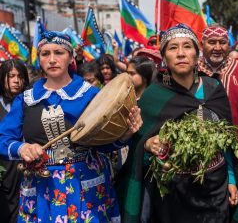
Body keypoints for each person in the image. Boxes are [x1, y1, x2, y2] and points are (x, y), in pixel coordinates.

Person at [0, 31, 142, 222]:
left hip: (86, 185)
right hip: (42, 188)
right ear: (39, 59)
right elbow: (3, 139)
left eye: (59, 53)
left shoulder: (91, 95)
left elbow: (104, 144)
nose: (52, 59)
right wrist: (22, 147)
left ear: (71, 57)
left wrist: (125, 135)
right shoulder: (26, 99)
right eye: (45, 54)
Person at [118, 24, 237, 223]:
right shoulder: (154, 96)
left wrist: (232, 179)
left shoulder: (214, 89)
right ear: (164, 57)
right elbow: (138, 146)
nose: (181, 53)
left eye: (187, 46)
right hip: (172, 192)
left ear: (197, 53)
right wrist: (148, 145)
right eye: (173, 48)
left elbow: (227, 141)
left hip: (215, 188)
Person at [198, 24, 238, 223]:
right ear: (202, 44)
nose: (217, 47)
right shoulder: (191, 70)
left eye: (222, 42)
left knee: (236, 210)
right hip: (199, 154)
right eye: (212, 42)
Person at [0, 59, 29, 223]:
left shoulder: (30, 103)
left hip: (24, 169)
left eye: (19, 76)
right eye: (11, 76)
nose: (16, 81)